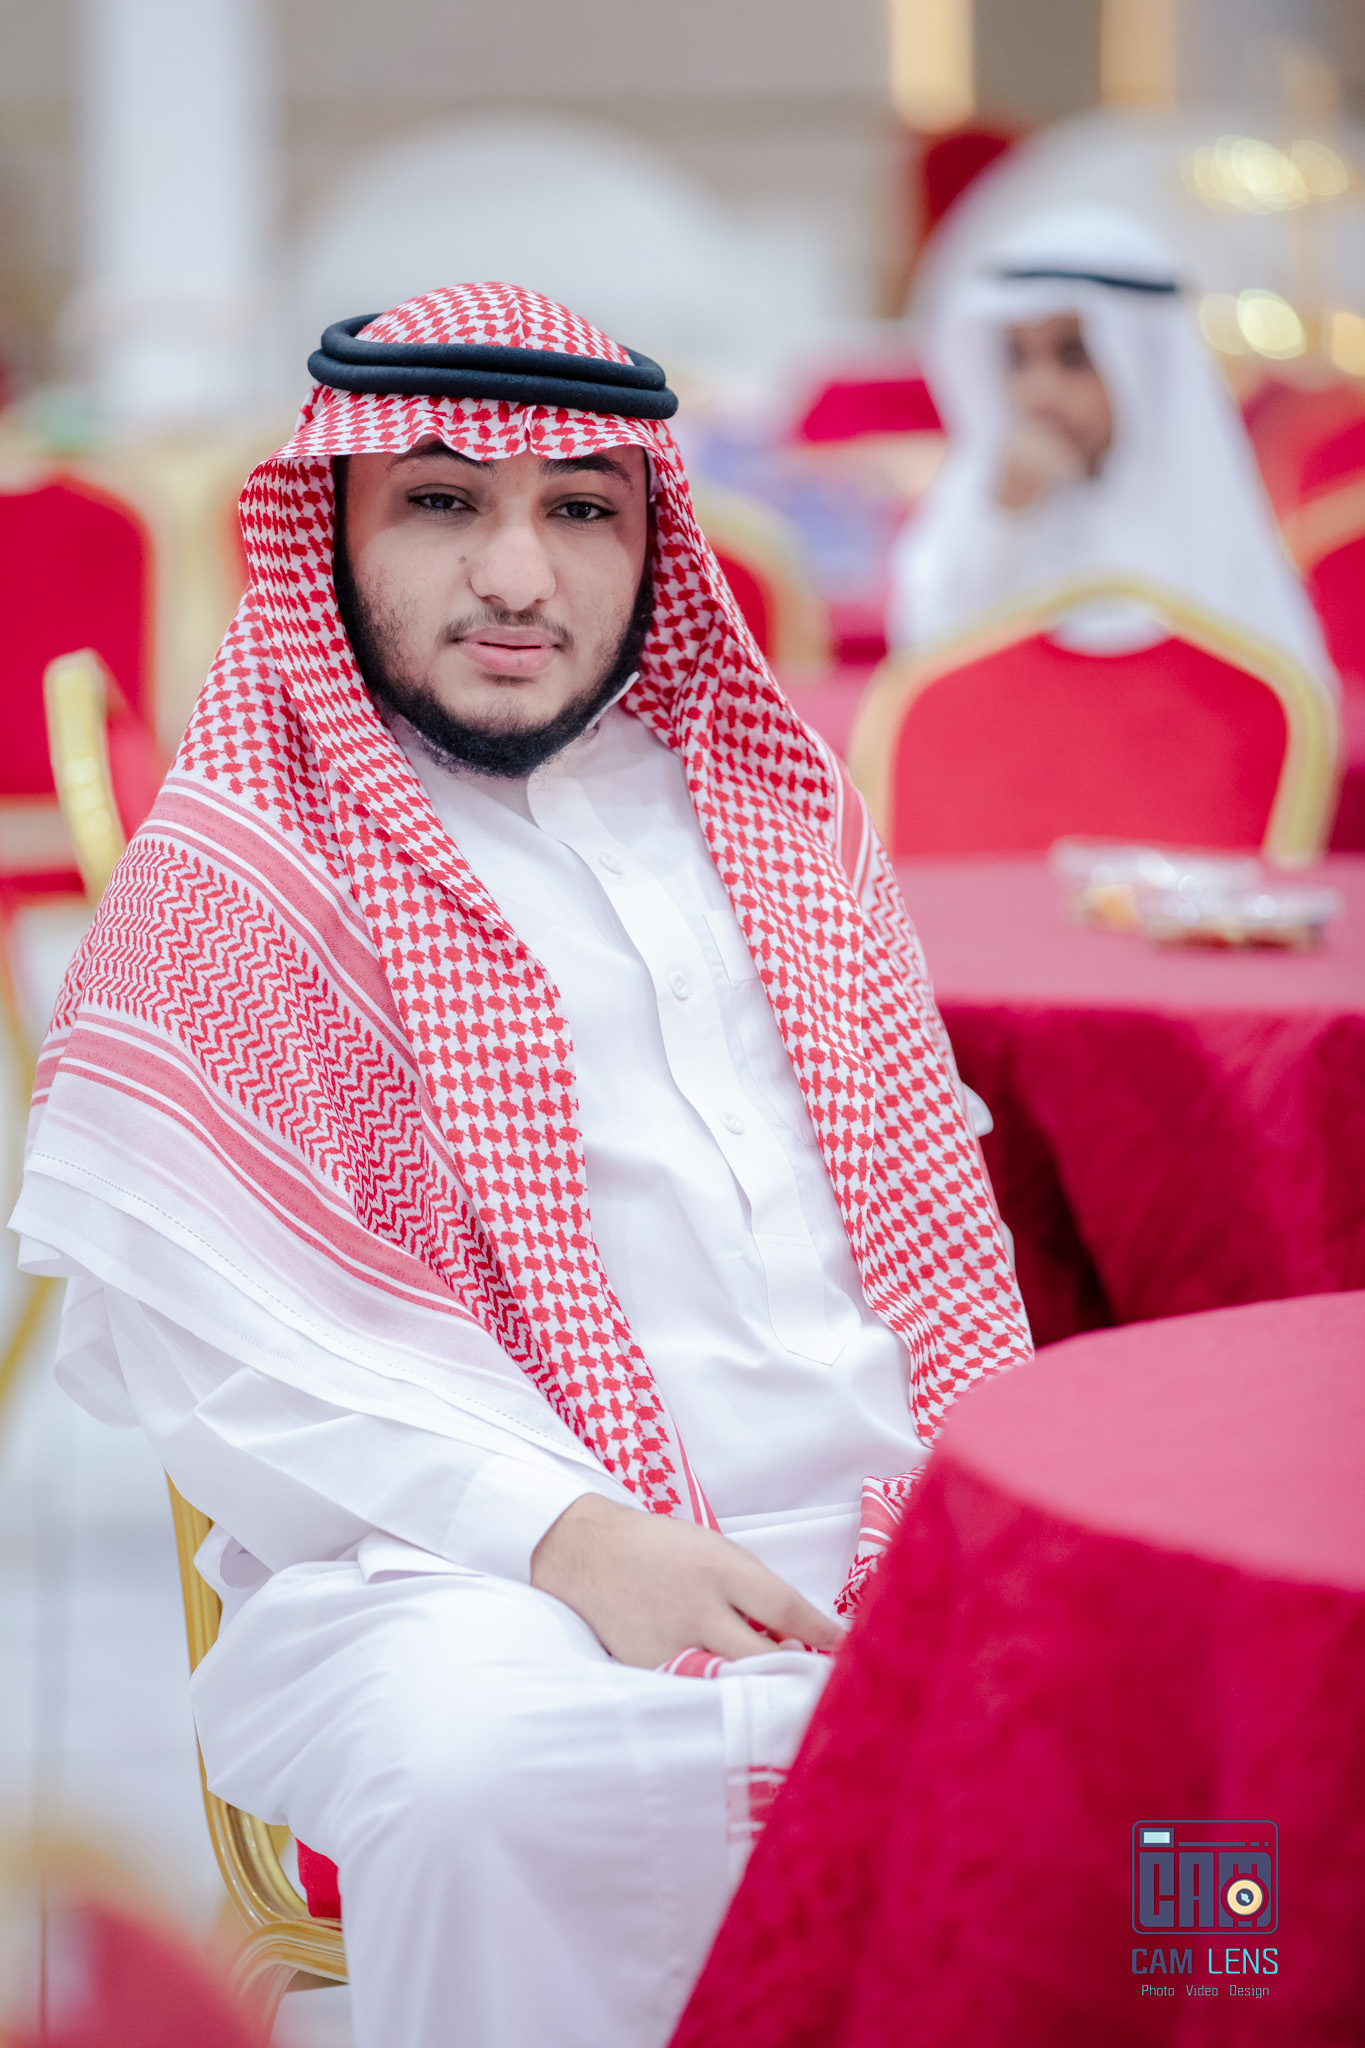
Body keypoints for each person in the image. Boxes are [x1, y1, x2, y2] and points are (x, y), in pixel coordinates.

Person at [12, 283, 1029, 2048]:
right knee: (496, 1774)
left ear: (653, 539)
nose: (515, 576)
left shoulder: (776, 811)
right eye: (440, 502)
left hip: (895, 1511)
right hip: (461, 1559)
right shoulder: (246, 871)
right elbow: (226, 1346)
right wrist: (572, 1537)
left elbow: (935, 1245)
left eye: (579, 509)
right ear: (333, 524)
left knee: (1187, 1757)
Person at [888, 203, 1338, 689]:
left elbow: (1284, 694)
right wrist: (1004, 517)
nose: (1039, 390)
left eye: (1074, 356)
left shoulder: (1203, 510)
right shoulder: (984, 494)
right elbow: (925, 656)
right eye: (1018, 357)